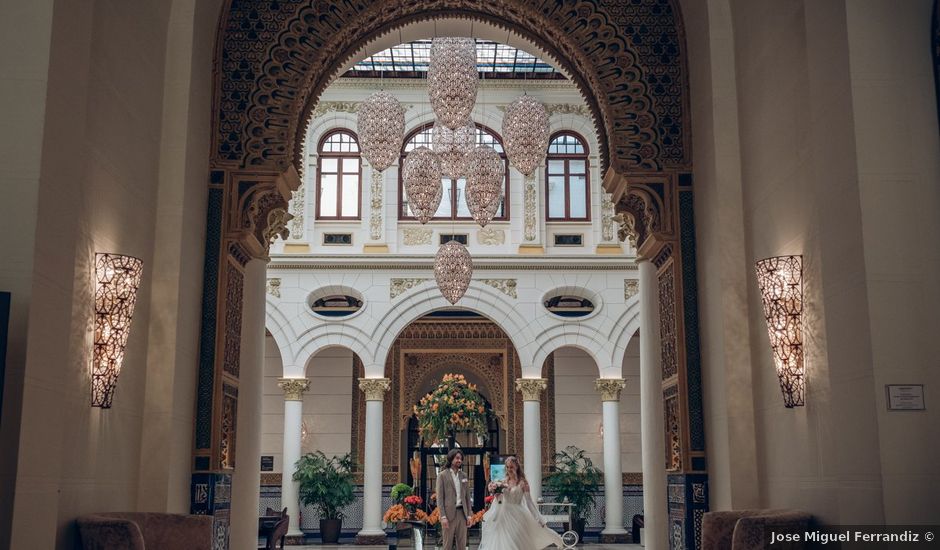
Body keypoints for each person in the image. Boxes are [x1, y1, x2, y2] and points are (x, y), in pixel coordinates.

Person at [479, 456, 564, 550]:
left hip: (518, 516)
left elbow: (529, 502)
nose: (509, 469)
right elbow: (499, 500)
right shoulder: (503, 482)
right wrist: (495, 493)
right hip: (503, 516)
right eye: (507, 467)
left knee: (516, 541)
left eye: (511, 467)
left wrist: (539, 518)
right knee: (503, 542)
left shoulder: (523, 483)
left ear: (517, 467)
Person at [436, 449, 471, 550]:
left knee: (462, 545)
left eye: (461, 459)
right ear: (451, 459)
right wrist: (442, 517)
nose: (459, 460)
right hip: (448, 514)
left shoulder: (464, 476)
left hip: (462, 514)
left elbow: (467, 497)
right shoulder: (442, 475)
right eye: (457, 458)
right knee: (447, 545)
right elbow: (440, 498)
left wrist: (469, 515)